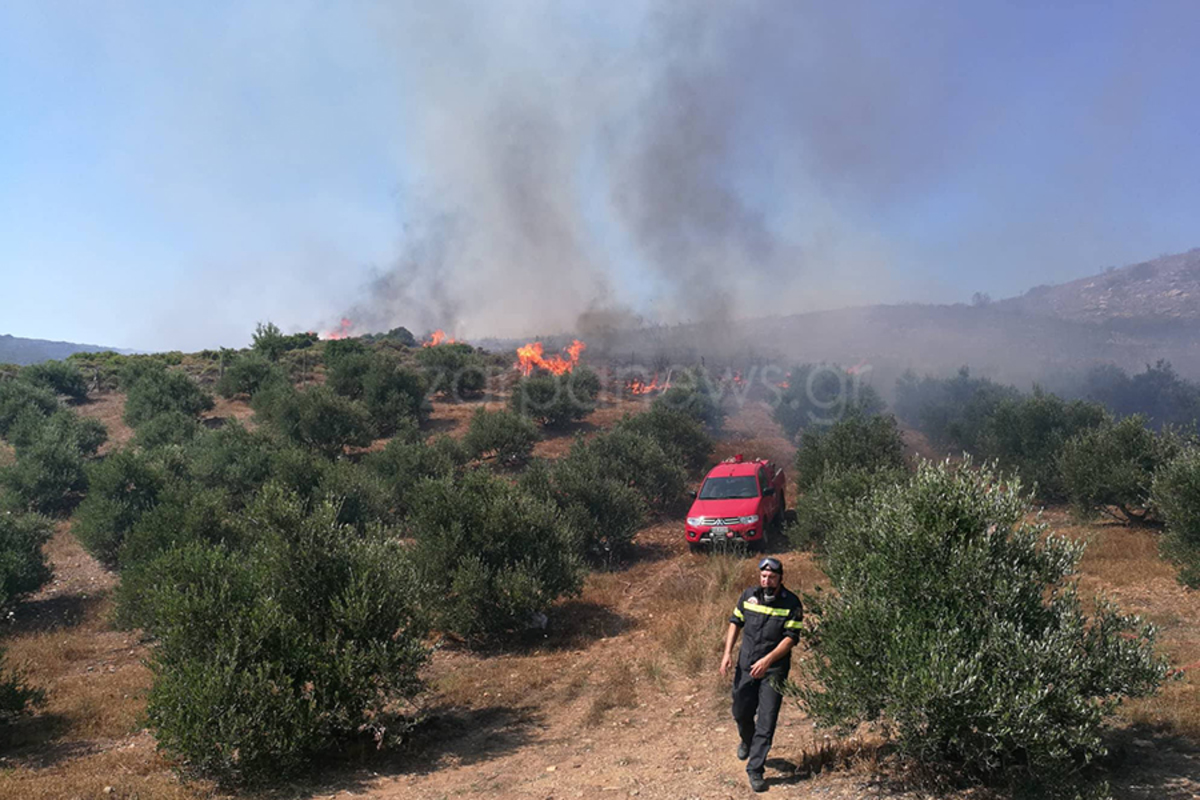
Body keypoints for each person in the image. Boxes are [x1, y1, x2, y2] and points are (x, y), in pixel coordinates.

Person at [719, 556, 803, 793]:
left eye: (771, 577)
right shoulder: (748, 596)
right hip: (746, 666)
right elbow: (735, 622)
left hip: (773, 670)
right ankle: (747, 740)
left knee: (766, 721)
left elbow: (790, 639)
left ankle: (755, 769)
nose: (766, 581)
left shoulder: (792, 603)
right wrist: (727, 654)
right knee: (740, 711)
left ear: (780, 579)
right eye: (763, 576)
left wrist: (767, 661)